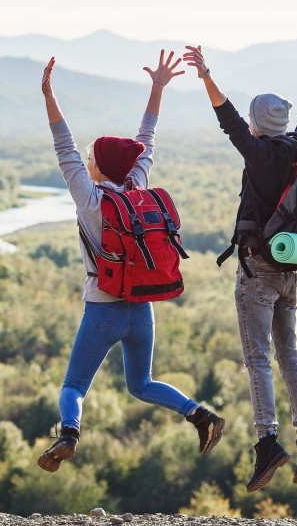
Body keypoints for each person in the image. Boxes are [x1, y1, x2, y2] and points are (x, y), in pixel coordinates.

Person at [182, 40, 297, 492]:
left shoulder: (260, 152)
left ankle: (267, 443)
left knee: (257, 360)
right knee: (290, 357)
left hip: (257, 272)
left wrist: (206, 74)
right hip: (291, 266)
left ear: (256, 123)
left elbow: (226, 117)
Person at [36, 51, 226, 473]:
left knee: (73, 386)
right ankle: (200, 415)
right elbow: (146, 141)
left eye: (90, 159)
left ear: (99, 168)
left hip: (102, 309)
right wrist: (158, 88)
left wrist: (49, 95)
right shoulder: (138, 187)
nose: (85, 161)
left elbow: (64, 145)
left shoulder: (90, 200)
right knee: (141, 384)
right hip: (141, 308)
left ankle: (68, 435)